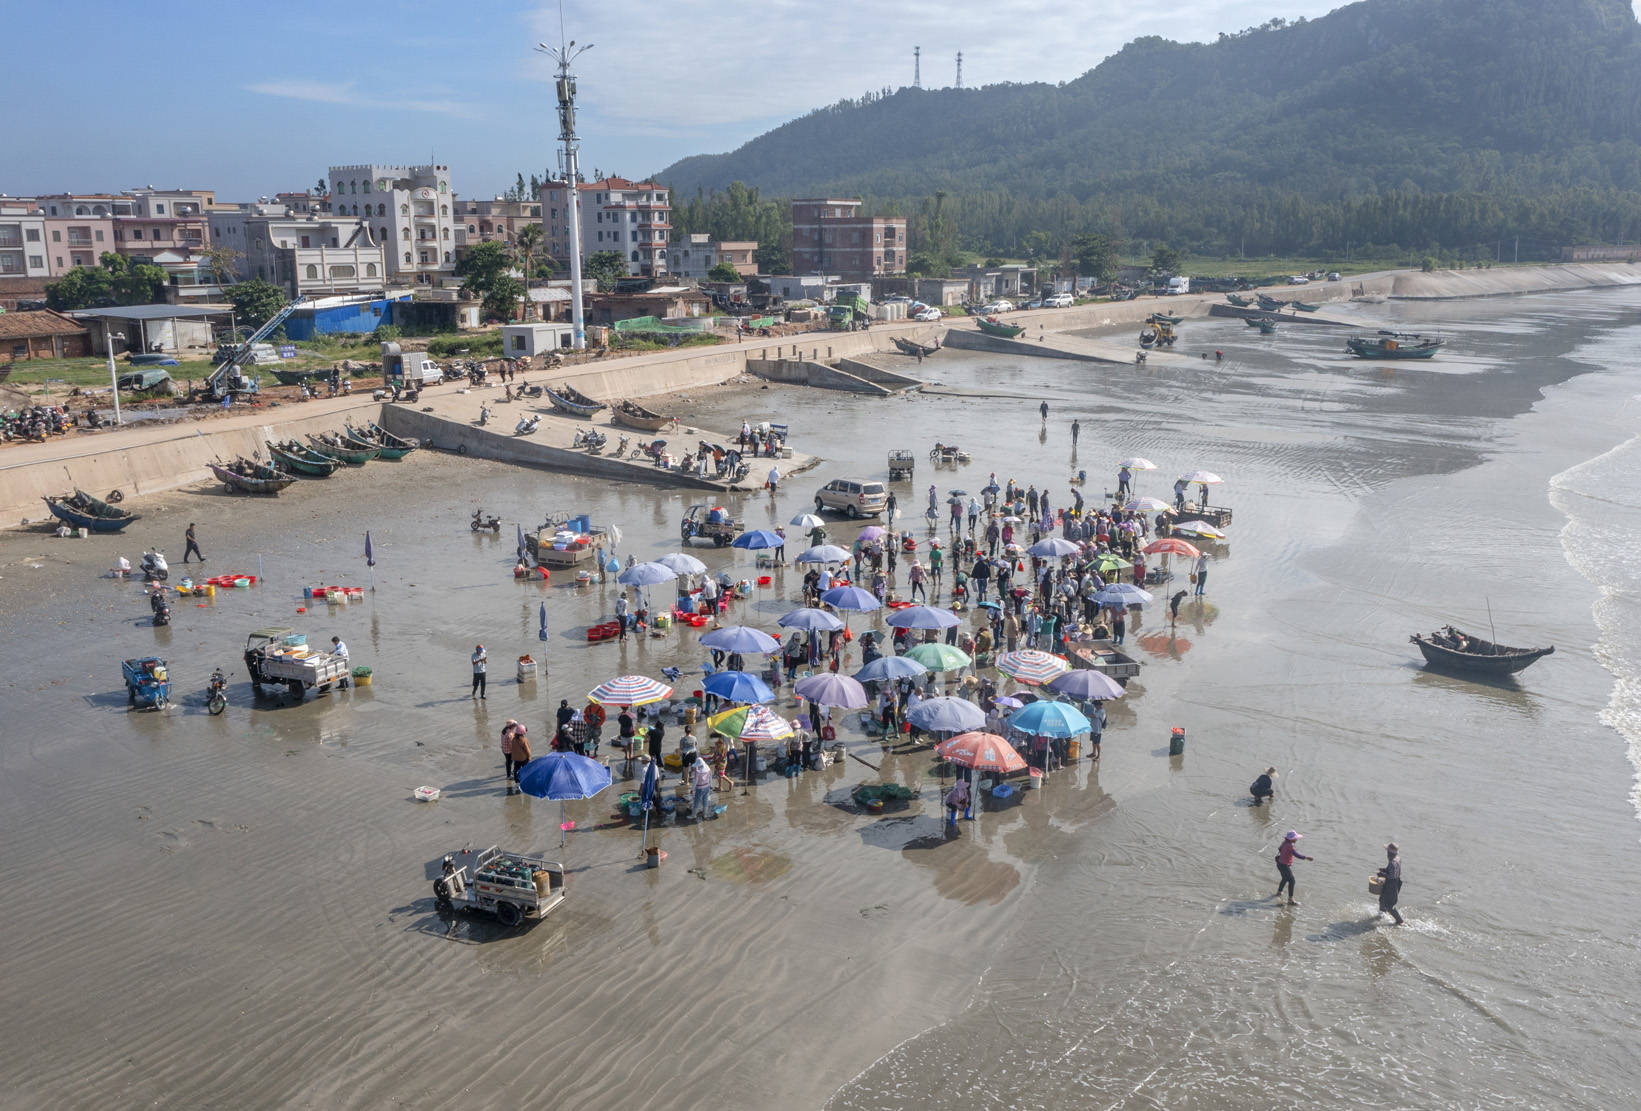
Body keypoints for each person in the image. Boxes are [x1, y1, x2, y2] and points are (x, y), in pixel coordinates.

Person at [1275, 830, 1312, 905]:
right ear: (1292, 839)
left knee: (1285, 878)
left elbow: (1280, 849)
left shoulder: (1284, 843)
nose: (1297, 839)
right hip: (1284, 865)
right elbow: (1296, 854)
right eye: (1296, 838)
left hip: (1279, 864)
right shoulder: (1290, 846)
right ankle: (1290, 899)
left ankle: (1279, 892)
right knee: (1292, 880)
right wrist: (1306, 857)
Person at [1377, 842, 1405, 925]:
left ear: (1389, 853)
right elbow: (1394, 872)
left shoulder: (1392, 862)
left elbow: (1391, 876)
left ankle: (1400, 921)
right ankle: (1381, 914)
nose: (1387, 853)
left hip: (1392, 885)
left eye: (1387, 851)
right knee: (1382, 899)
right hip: (1396, 882)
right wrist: (1385, 870)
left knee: (1390, 905)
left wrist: (1382, 874)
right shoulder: (1398, 859)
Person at [691, 749, 715, 819]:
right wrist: (710, 785)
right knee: (705, 801)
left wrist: (692, 789)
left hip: (699, 788)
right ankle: (705, 815)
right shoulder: (707, 768)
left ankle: (693, 815)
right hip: (707, 787)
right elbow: (710, 777)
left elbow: (695, 781)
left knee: (696, 801)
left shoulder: (698, 771)